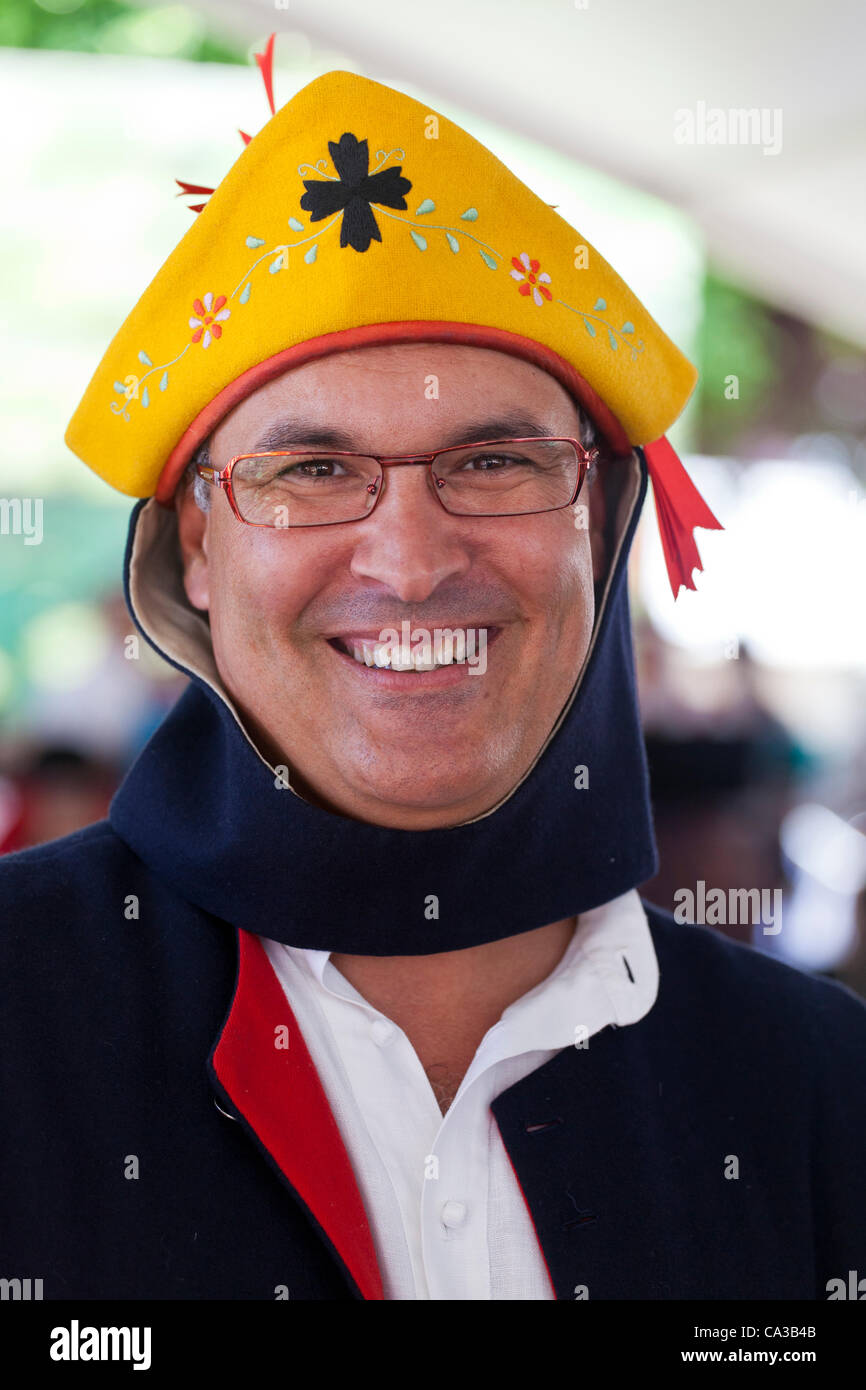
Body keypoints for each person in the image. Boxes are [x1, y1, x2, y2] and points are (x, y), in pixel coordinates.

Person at [1, 42, 864, 1302]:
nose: (407, 563)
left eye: (494, 461)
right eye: (310, 472)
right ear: (196, 545)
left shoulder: (819, 1090)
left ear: (600, 521)